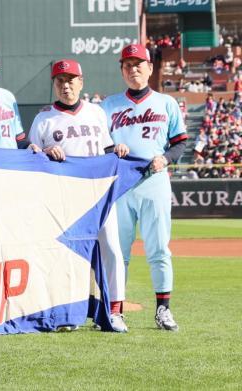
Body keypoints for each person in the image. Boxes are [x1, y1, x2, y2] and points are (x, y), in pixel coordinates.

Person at [28, 59, 128, 332]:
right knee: (68, 254)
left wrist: (116, 148)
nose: (66, 85)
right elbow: (30, 156)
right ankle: (68, 313)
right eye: (60, 80)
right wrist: (45, 152)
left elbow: (107, 148)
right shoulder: (43, 119)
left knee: (111, 249)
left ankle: (115, 310)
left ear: (81, 82)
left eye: (71, 79)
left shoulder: (96, 113)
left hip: (100, 192)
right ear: (54, 85)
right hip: (64, 196)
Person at [101, 44, 188, 331]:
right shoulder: (108, 105)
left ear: (150, 68)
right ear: (122, 70)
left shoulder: (166, 103)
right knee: (117, 252)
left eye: (139, 64)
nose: (133, 68)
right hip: (121, 185)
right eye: (127, 65)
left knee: (159, 250)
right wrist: (113, 146)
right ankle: (115, 311)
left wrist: (166, 158)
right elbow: (99, 143)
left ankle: (163, 309)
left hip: (154, 182)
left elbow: (180, 143)